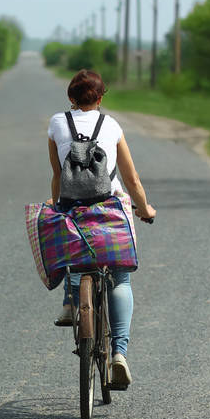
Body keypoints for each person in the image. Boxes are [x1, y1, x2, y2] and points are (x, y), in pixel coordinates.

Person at [47, 68, 156, 386]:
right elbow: (131, 179)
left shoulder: (57, 123)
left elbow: (57, 175)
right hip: (110, 208)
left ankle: (70, 300)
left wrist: (58, 208)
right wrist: (144, 208)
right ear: (100, 97)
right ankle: (119, 354)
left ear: (70, 98)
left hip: (73, 208)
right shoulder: (111, 125)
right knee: (120, 278)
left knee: (73, 258)